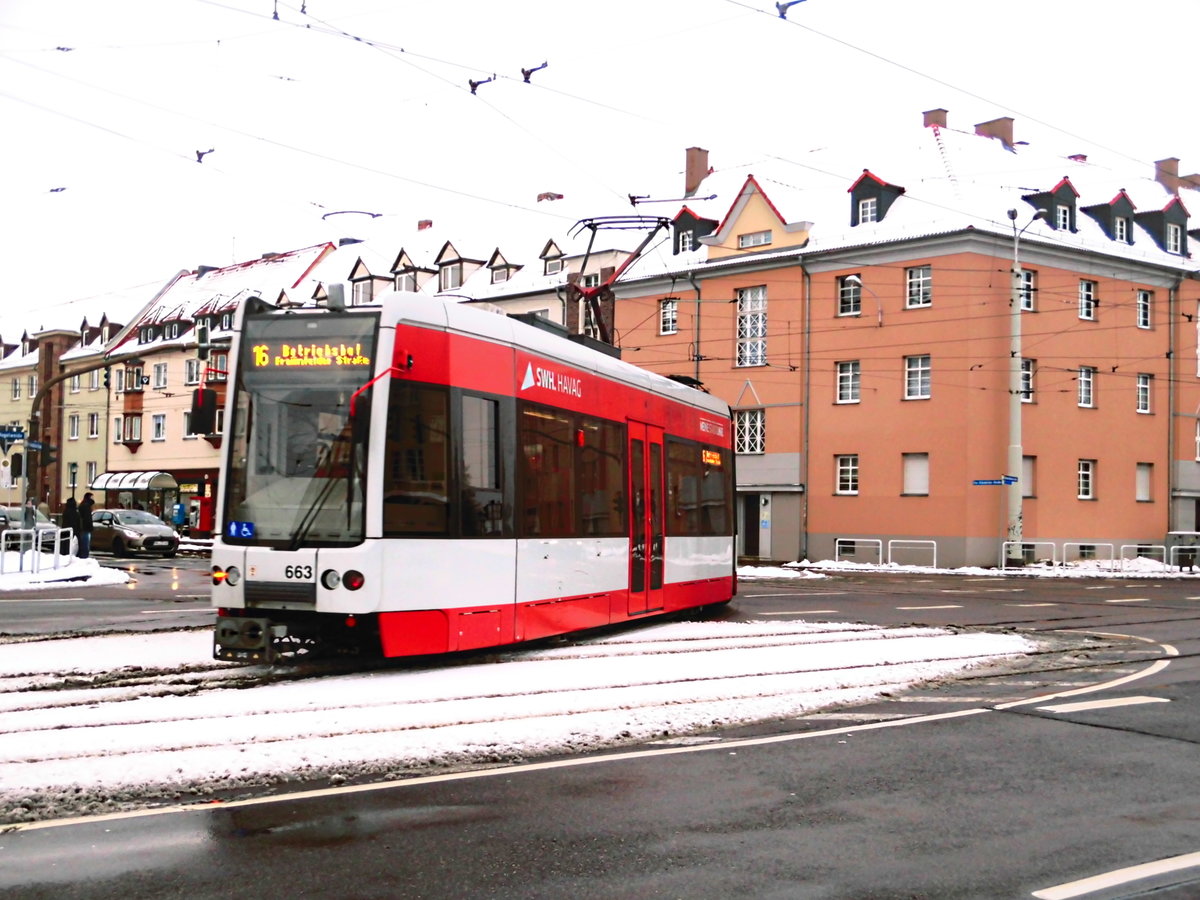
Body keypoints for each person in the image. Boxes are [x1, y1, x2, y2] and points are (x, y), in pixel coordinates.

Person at [77, 492, 95, 559]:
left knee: (85, 541)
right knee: (85, 542)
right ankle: (84, 555)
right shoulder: (86, 505)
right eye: (92, 497)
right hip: (85, 527)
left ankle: (84, 554)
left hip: (85, 527)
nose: (93, 499)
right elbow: (87, 518)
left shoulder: (84, 504)